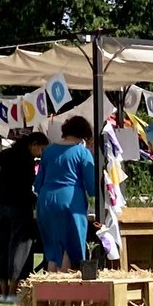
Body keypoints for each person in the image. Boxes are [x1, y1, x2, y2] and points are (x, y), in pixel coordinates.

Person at [0, 131, 48, 303]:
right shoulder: (27, 160)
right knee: (19, 249)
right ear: (34, 144)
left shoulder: (8, 154)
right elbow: (27, 187)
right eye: (41, 149)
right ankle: (14, 291)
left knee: (2, 248)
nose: (40, 154)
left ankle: (3, 289)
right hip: (20, 207)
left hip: (2, 205)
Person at [34, 116, 96, 273]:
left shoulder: (47, 151)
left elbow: (37, 183)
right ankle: (63, 292)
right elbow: (92, 187)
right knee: (70, 246)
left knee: (52, 250)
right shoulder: (82, 153)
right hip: (70, 201)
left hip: (45, 201)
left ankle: (49, 290)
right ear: (84, 134)